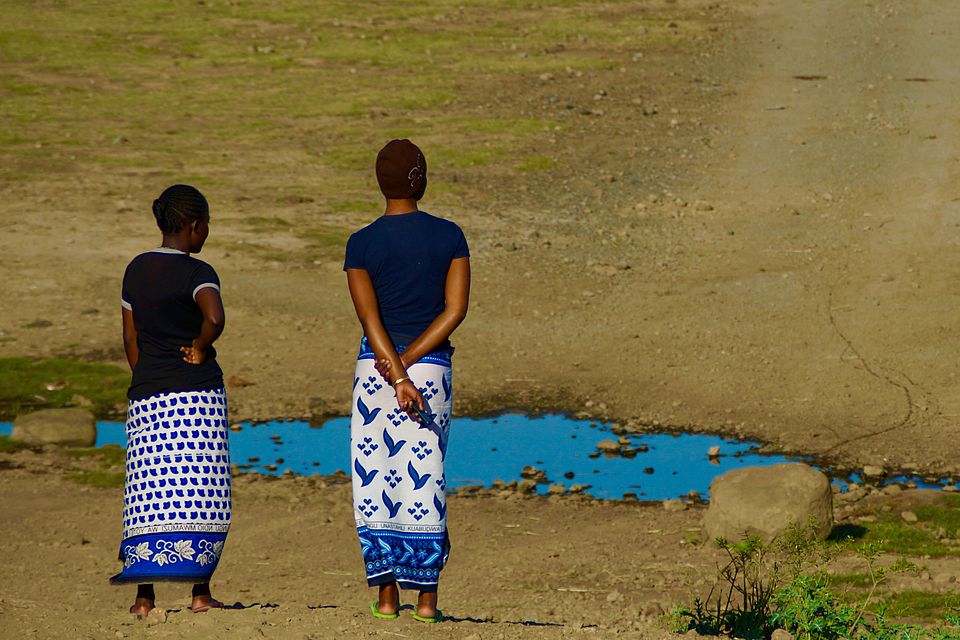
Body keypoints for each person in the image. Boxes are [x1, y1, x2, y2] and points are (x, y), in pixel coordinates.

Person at [344, 139, 470, 623]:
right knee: (427, 476)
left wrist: (393, 367)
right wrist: (411, 362)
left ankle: (386, 597)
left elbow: (368, 316)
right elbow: (454, 310)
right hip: (431, 369)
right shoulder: (450, 236)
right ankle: (428, 601)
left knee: (374, 478)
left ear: (380, 183)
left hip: (373, 370)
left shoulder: (362, 242)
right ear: (422, 178)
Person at [111, 184, 231, 616]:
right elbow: (214, 316)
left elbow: (130, 336)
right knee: (199, 492)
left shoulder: (136, 269)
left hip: (147, 394)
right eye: (206, 226)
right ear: (194, 226)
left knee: (147, 493)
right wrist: (200, 343)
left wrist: (146, 374)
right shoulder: (197, 271)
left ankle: (144, 598)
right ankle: (200, 592)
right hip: (195, 397)